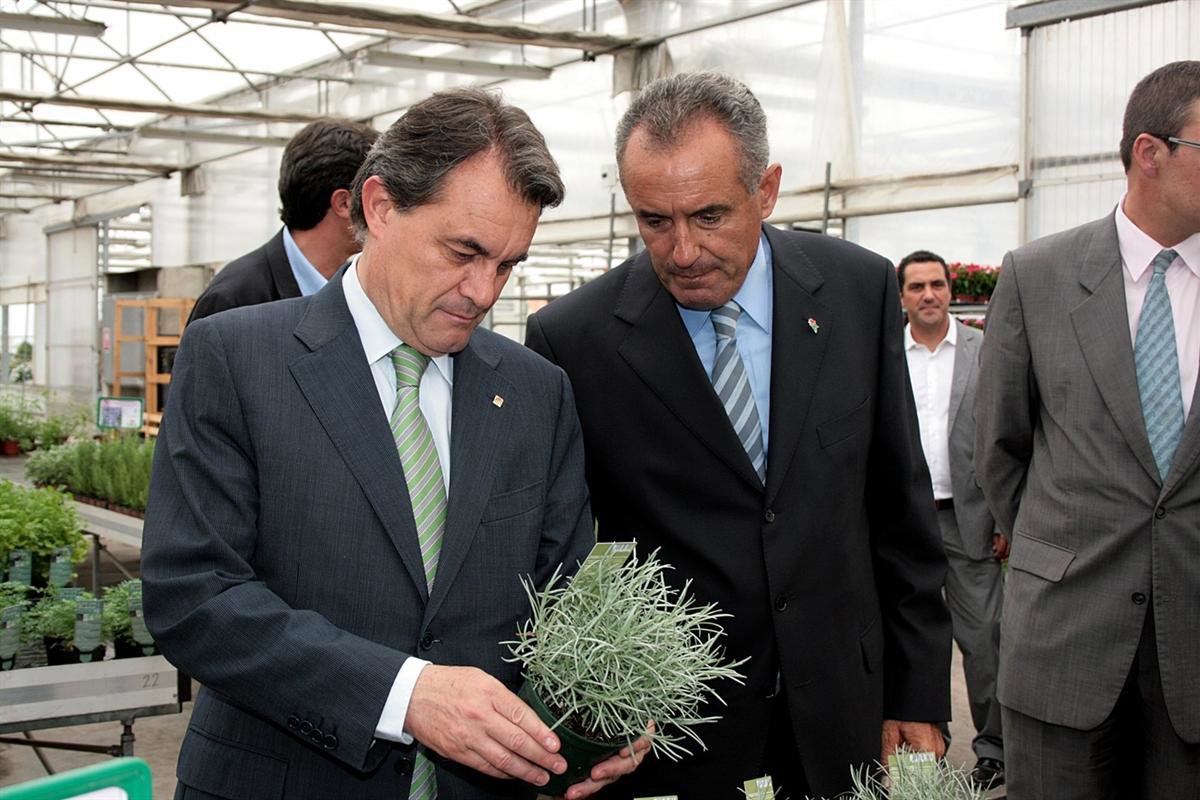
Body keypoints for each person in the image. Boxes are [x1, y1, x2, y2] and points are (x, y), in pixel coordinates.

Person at [143, 88, 646, 800]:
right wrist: (404, 694)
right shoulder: (237, 357)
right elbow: (194, 596)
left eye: (507, 264)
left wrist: (603, 706)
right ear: (379, 206)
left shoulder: (536, 392)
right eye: (464, 251)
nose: (483, 292)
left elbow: (562, 598)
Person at [525, 72, 952, 799]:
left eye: (709, 215)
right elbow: (565, 556)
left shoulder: (858, 290)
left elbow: (899, 510)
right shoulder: (574, 340)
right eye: (654, 221)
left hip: (845, 711)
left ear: (767, 189)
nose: (683, 250)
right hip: (679, 736)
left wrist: (916, 692)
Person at [975, 60, 1200, 800]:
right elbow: (999, 448)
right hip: (1063, 641)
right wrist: (1056, 549)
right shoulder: (1037, 275)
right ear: (1150, 153)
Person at [897, 250, 1006, 790]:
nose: (929, 295)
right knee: (917, 642)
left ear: (950, 289)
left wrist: (1006, 516)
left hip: (971, 521)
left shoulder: (984, 350)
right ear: (902, 297)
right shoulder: (886, 354)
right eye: (916, 286)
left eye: (937, 284)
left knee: (984, 641)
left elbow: (1009, 432)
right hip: (905, 523)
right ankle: (928, 750)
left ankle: (995, 750)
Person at [187, 118, 378, 323]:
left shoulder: (356, 290)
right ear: (344, 203)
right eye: (378, 200)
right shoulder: (234, 300)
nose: (386, 213)